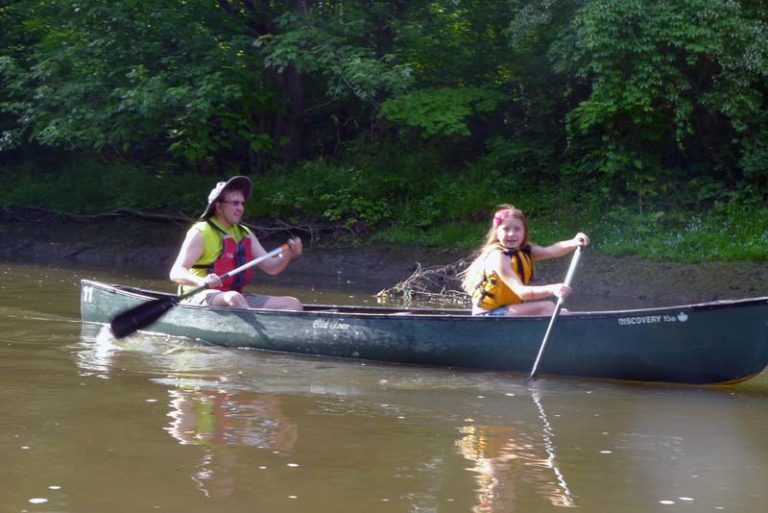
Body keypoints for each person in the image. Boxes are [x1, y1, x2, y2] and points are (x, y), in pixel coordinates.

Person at [170, 175, 303, 310]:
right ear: (219, 206)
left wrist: (288, 254)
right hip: (198, 296)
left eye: (242, 203)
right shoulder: (200, 232)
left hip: (234, 297)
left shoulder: (244, 233)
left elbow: (272, 267)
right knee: (234, 297)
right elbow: (175, 273)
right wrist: (202, 281)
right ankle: (252, 322)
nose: (240, 208)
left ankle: (257, 321)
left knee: (293, 304)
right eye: (235, 203)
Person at [460, 204, 589, 316]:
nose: (511, 234)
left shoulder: (524, 251)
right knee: (548, 307)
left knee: (562, 312)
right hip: (487, 315)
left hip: (506, 310)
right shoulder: (498, 257)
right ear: (497, 232)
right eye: (506, 229)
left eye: (517, 229)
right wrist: (553, 289)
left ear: (524, 232)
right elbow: (521, 292)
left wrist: (573, 242)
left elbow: (551, 251)